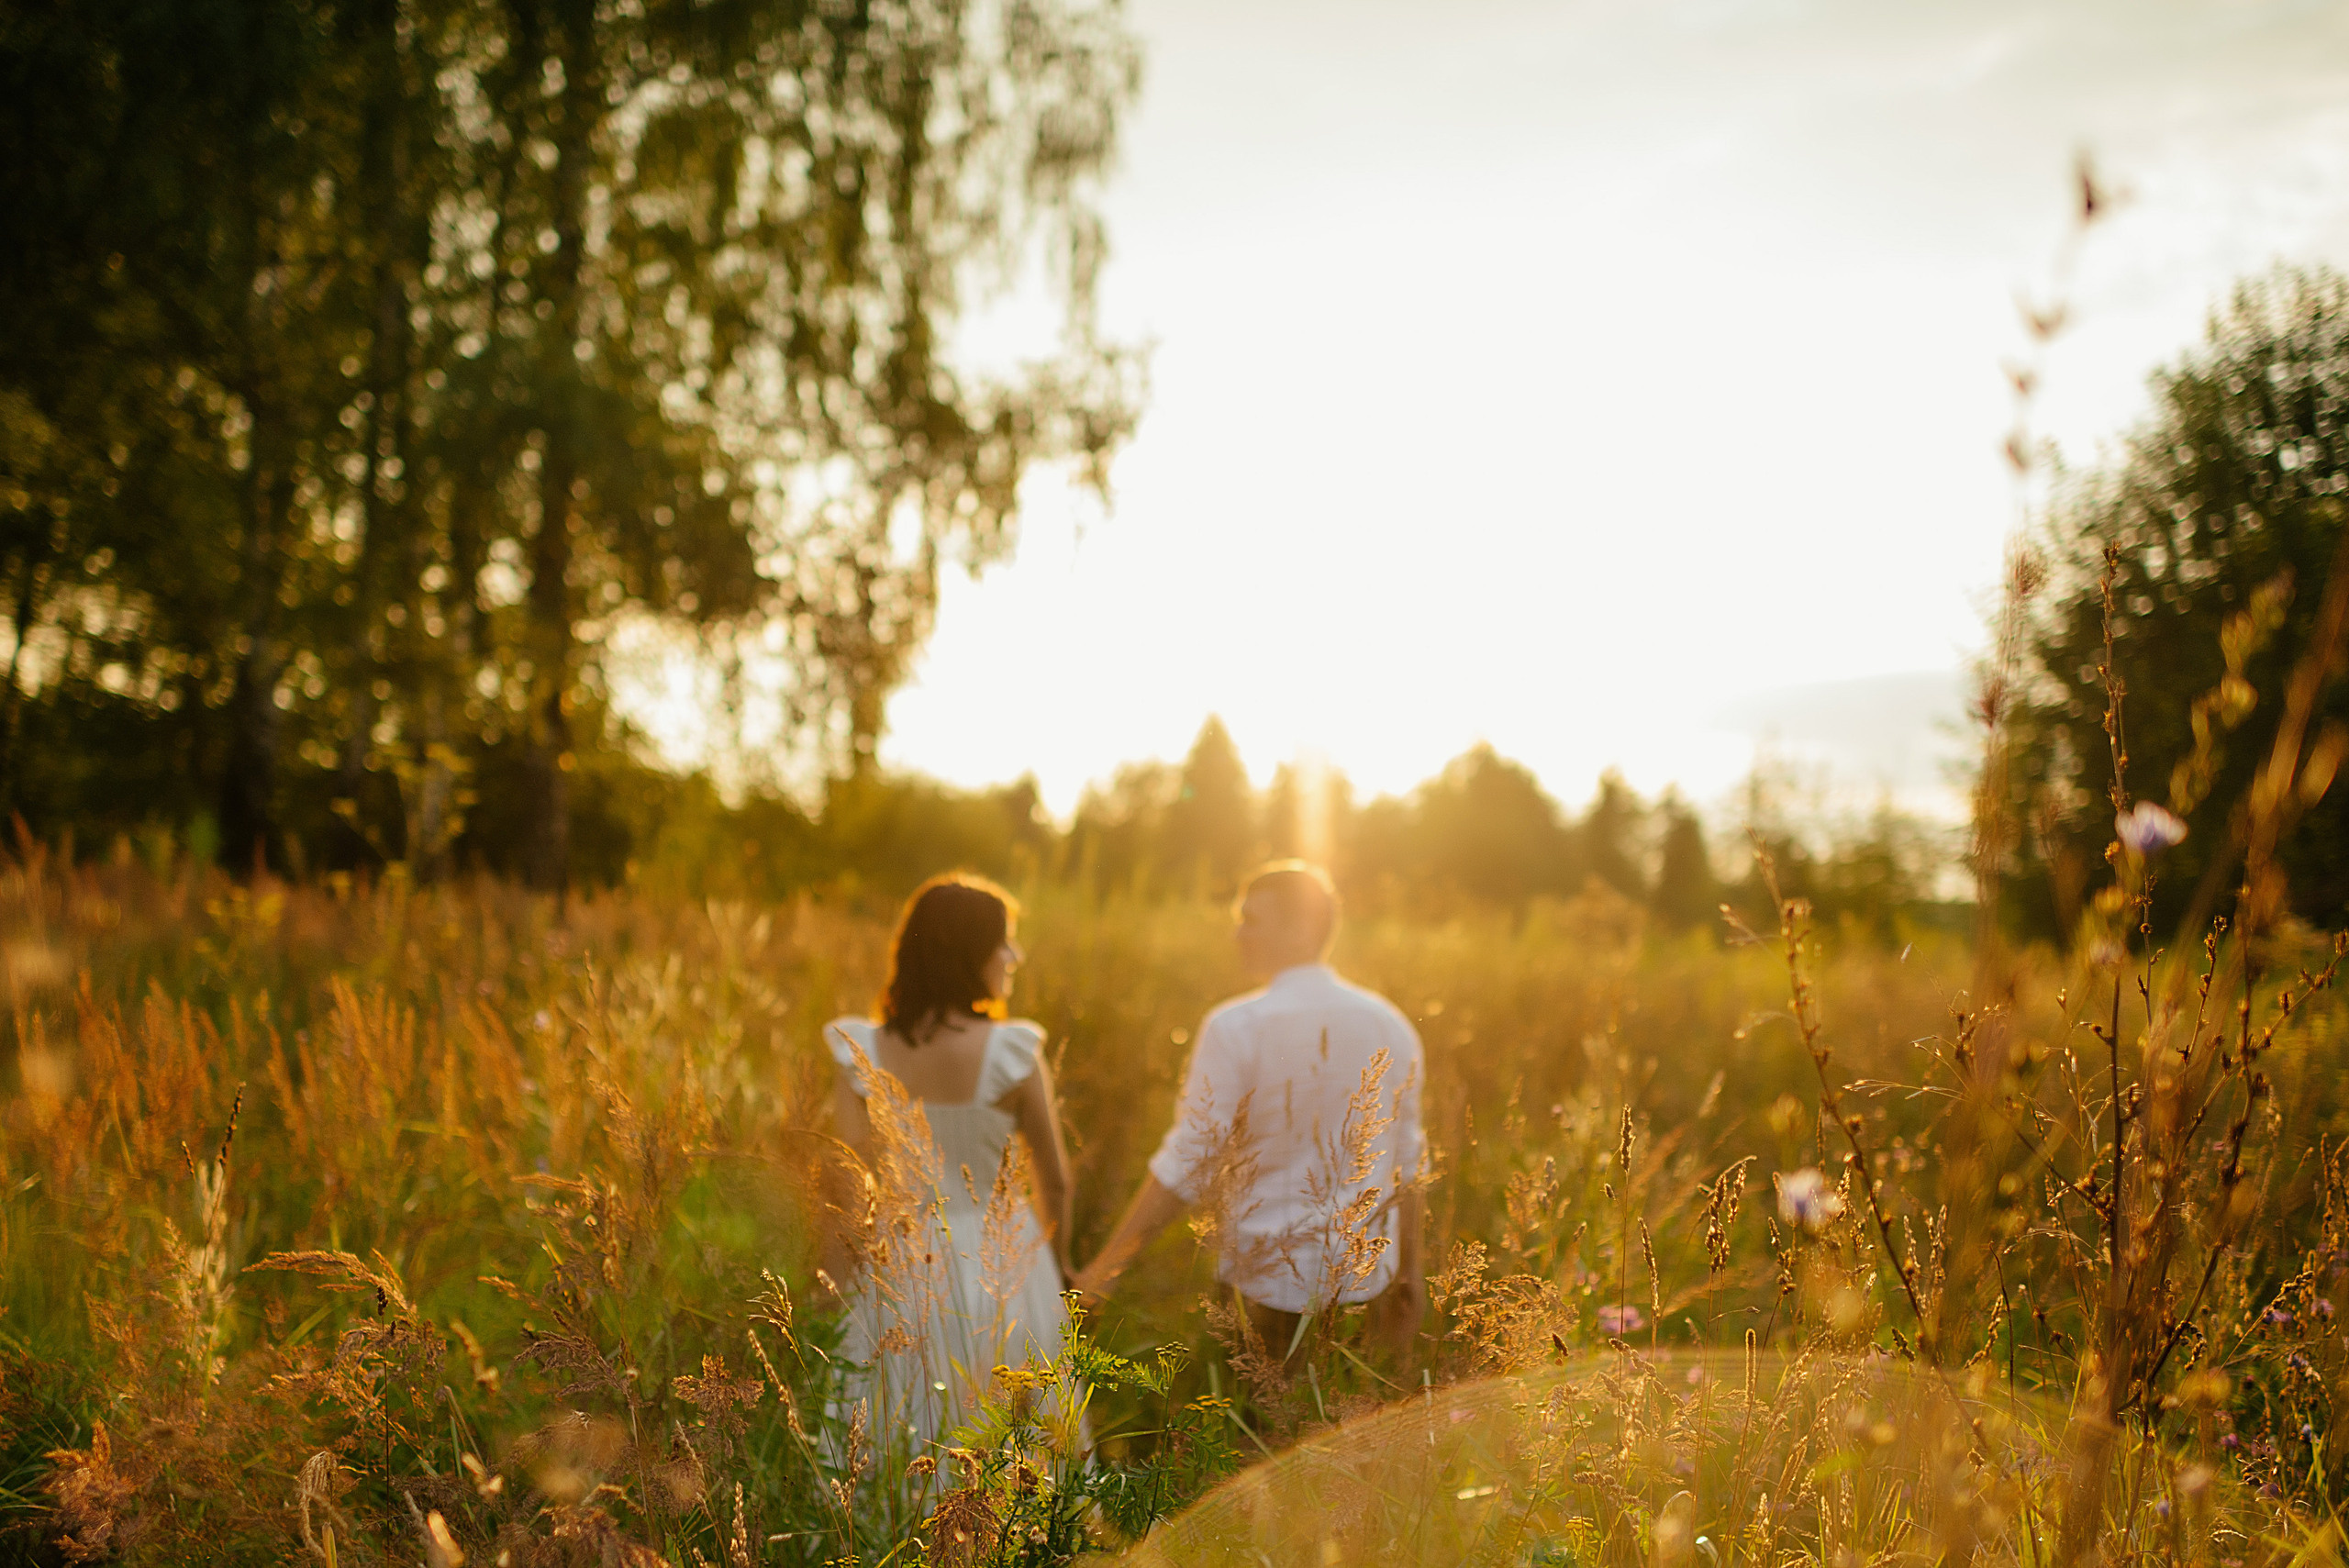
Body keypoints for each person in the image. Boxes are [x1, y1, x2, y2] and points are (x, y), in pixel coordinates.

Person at [1073, 861, 1426, 1364]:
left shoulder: (1237, 1026)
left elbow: (1191, 1158)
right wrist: (1411, 1273)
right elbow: (1409, 1164)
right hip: (1364, 1287)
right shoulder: (1390, 1024)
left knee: (1255, 1438)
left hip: (1265, 1289)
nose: (1237, 934)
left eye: (1251, 919)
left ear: (1302, 929)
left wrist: (1103, 1271)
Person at [824, 873, 1080, 1455]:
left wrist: (837, 1287)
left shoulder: (857, 1051)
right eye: (1004, 940)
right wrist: (1058, 1268)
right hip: (1007, 1263)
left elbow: (847, 1183)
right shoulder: (1013, 1051)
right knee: (1016, 1446)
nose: (1013, 955)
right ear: (970, 952)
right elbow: (1056, 1181)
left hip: (900, 1267)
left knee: (895, 1431)